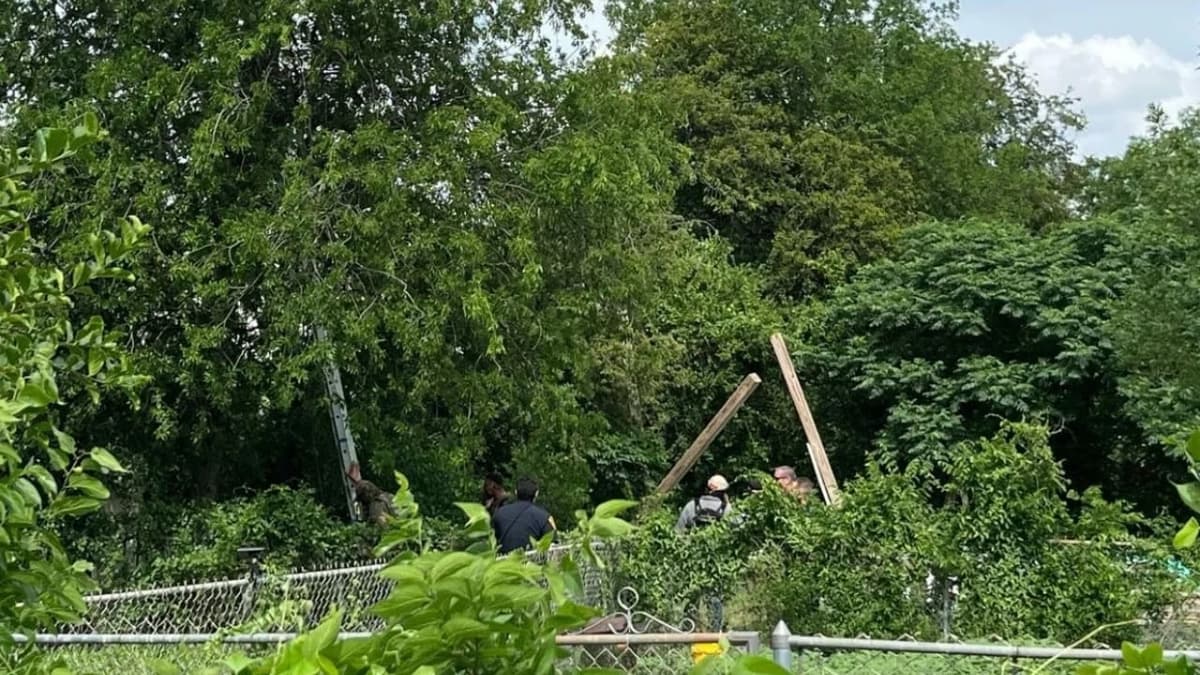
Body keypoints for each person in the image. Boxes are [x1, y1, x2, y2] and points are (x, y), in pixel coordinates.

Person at [492, 477, 556, 553]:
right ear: (536, 493)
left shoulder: (500, 513)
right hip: (531, 562)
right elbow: (553, 544)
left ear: (516, 492)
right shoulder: (545, 517)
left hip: (504, 562)